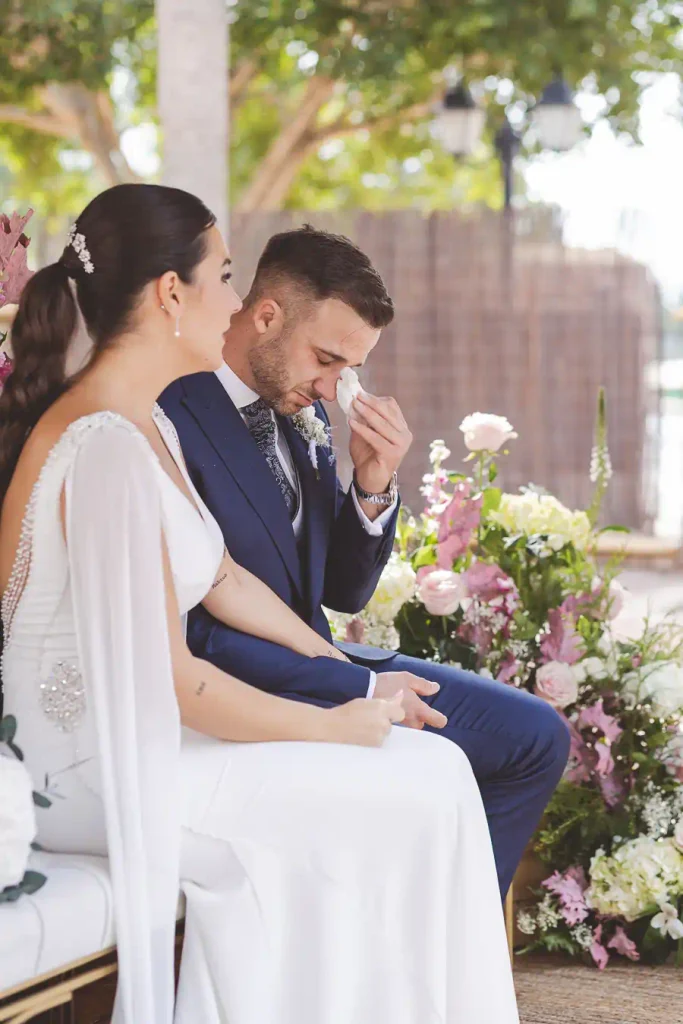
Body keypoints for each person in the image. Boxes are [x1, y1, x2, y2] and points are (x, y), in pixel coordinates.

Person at [0, 184, 519, 1024]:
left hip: (148, 740)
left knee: (435, 768)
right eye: (227, 276)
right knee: (413, 787)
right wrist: (338, 723)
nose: (240, 304)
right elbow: (175, 682)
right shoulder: (102, 446)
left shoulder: (147, 427)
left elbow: (225, 582)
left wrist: (350, 677)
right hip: (94, 772)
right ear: (172, 294)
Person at [161, 224, 571, 901]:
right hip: (254, 682)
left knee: (533, 735)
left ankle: (441, 947)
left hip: (325, 656)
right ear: (265, 316)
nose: (331, 388)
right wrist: (346, 685)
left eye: (347, 371)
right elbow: (194, 623)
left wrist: (374, 484)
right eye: (324, 359)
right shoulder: (171, 412)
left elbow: (344, 592)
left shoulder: (304, 413)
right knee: (519, 744)